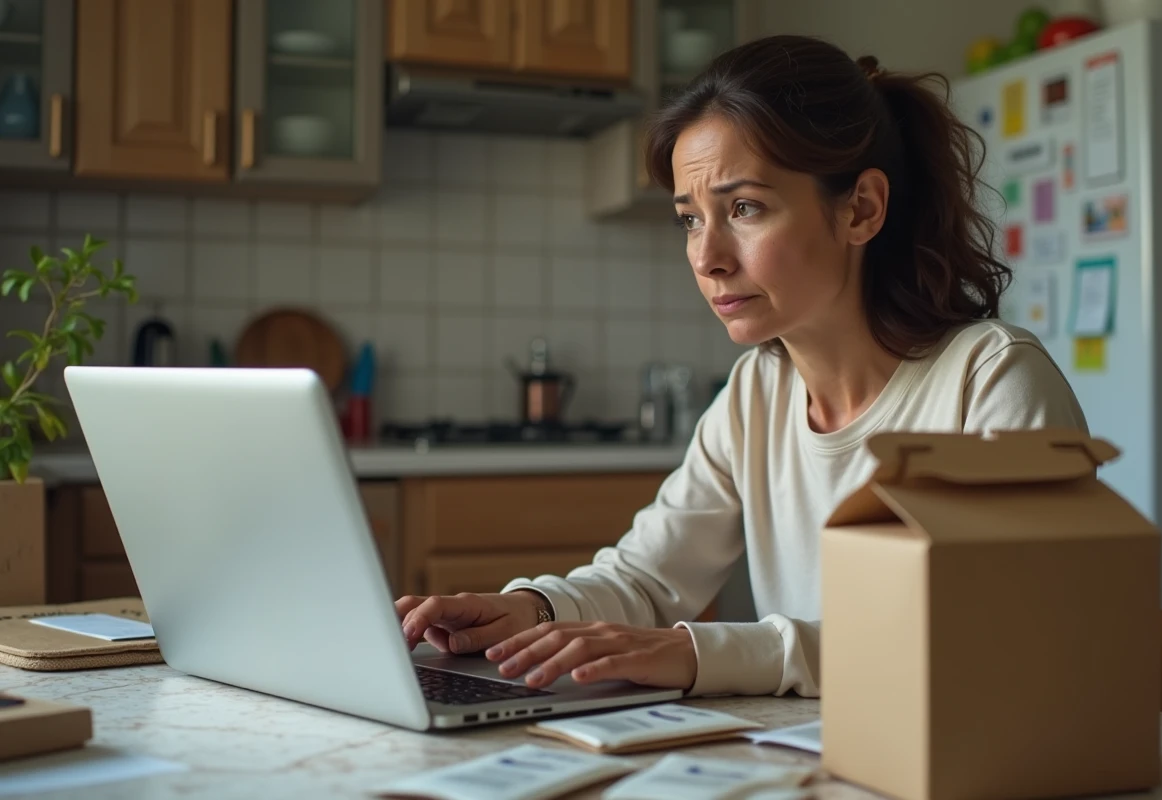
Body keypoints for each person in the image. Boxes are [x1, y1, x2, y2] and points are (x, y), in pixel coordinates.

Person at [394, 35, 1087, 698]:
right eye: (690, 218)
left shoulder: (990, 380)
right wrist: (532, 609)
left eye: (745, 208)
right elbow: (648, 579)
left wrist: (706, 653)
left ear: (862, 209)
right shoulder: (758, 391)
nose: (707, 256)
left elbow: (997, 636)